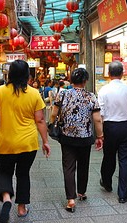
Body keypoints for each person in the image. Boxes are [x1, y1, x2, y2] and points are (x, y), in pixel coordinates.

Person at [0, 60, 51, 223]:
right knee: (23, 174)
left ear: (10, 74)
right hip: (28, 143)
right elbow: (40, 120)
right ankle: (21, 209)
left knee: (5, 172)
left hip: (6, 142)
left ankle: (6, 198)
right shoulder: (34, 93)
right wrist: (45, 141)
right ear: (27, 75)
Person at [50, 68, 104, 213]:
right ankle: (81, 192)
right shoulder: (91, 96)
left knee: (68, 167)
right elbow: (97, 119)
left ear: (72, 80)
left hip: (67, 136)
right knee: (83, 164)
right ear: (85, 81)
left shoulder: (62, 94)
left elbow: (54, 113)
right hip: (85, 137)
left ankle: (70, 200)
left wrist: (52, 124)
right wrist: (100, 136)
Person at [97, 61, 127, 204]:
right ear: (122, 73)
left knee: (108, 157)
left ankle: (107, 183)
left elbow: (100, 114)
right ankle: (123, 194)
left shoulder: (103, 90)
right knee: (124, 161)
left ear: (109, 74)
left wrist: (100, 133)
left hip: (110, 128)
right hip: (126, 127)